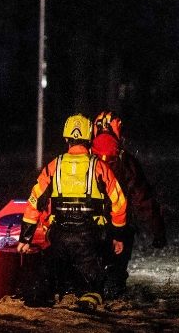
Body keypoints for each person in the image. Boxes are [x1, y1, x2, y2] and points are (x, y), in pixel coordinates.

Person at [19, 114, 127, 309]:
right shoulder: (99, 167)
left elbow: (34, 202)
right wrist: (118, 236)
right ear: (89, 139)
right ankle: (89, 300)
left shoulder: (53, 166)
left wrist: (25, 238)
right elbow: (119, 203)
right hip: (90, 238)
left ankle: (46, 297)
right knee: (94, 287)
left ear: (66, 139)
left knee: (47, 286)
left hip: (58, 238)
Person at [90, 112, 166, 300]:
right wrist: (158, 232)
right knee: (116, 278)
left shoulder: (83, 160)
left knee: (90, 276)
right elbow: (142, 199)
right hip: (121, 229)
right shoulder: (127, 161)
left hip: (87, 227)